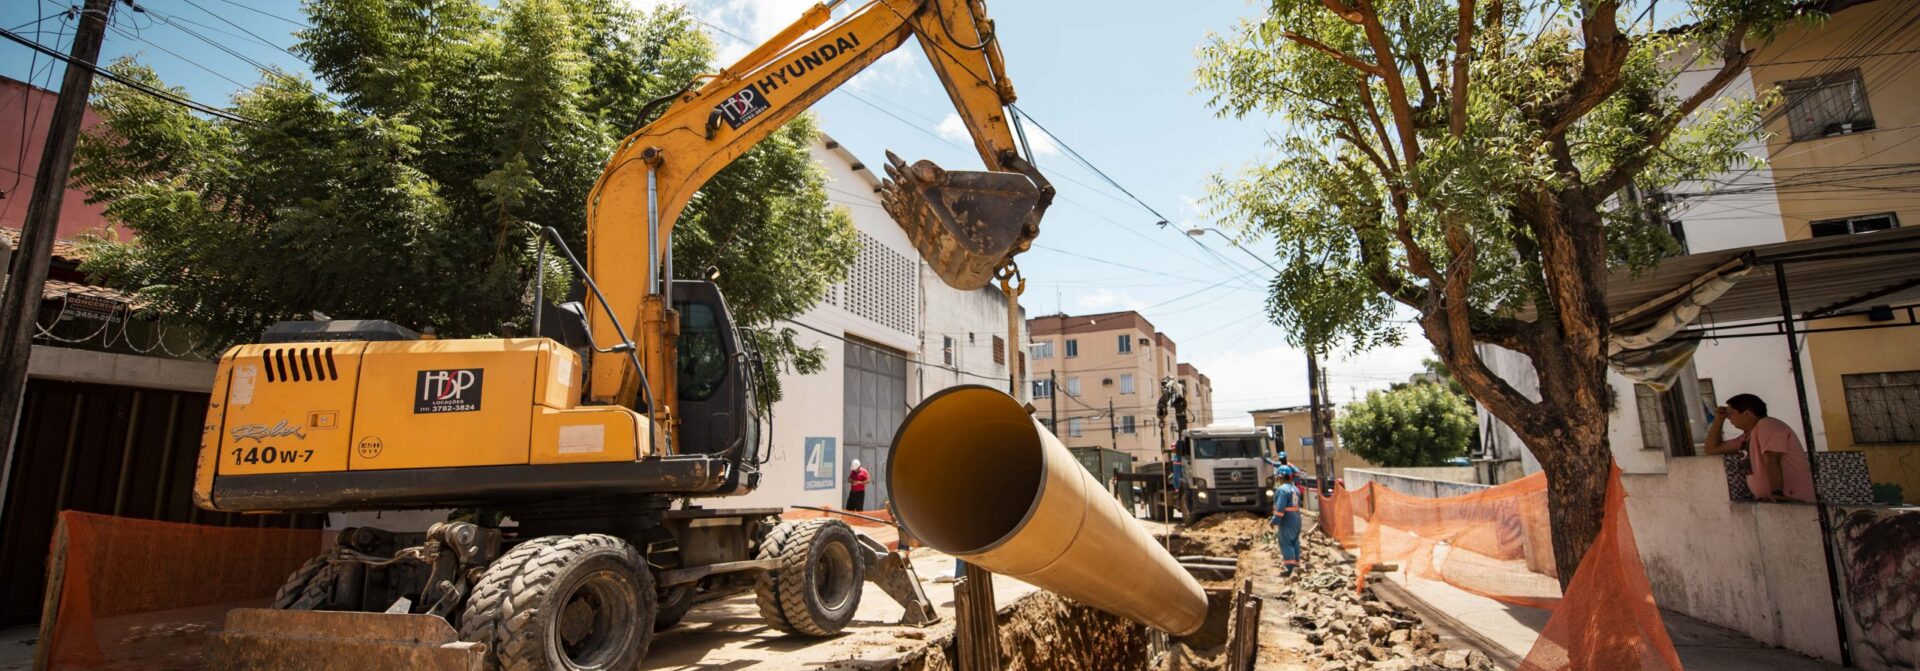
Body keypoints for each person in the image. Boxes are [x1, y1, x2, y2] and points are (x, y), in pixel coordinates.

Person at [1704, 393, 1815, 502]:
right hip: (1771, 501)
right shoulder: (1748, 436)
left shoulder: (1767, 425)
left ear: (1747, 413)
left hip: (1789, 499)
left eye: (1731, 414)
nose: (1729, 418)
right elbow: (1711, 449)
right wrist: (1719, 419)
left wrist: (1777, 493)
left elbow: (1772, 460)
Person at [1271, 470, 1303, 576]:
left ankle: (1290, 569)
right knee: (1295, 543)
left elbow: (1280, 508)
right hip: (1297, 521)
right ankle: (1296, 566)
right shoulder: (1296, 489)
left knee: (1286, 543)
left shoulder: (1282, 490)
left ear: (1281, 477)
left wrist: (1274, 520)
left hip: (1287, 521)